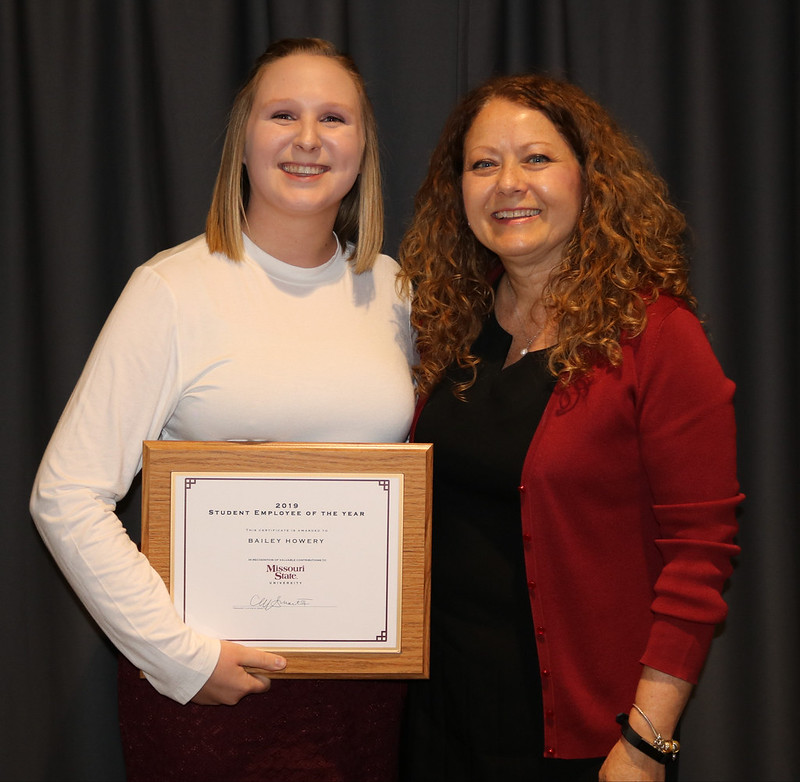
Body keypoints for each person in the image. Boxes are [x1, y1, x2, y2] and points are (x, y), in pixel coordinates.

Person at [30, 38, 416, 782]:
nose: (308, 139)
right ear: (243, 139)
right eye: (282, 115)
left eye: (334, 118)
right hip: (213, 692)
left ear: (363, 148)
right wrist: (179, 656)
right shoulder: (172, 290)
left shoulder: (392, 291)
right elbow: (66, 494)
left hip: (362, 689)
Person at [397, 73, 742, 782]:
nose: (508, 183)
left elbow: (699, 557)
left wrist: (645, 744)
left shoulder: (657, 336)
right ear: (457, 191)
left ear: (590, 179)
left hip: (584, 742)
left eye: (537, 158)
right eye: (483, 163)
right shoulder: (445, 330)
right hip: (438, 722)